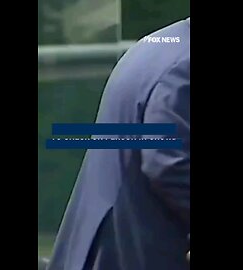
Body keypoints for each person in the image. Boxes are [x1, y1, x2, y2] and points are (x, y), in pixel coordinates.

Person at [47, 17, 190, 270]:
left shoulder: (161, 44)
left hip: (105, 242)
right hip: (139, 246)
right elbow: (169, 162)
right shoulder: (183, 65)